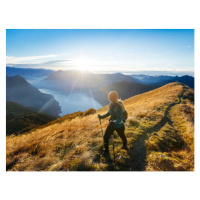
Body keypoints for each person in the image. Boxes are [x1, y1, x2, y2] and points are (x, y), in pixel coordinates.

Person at [98, 91, 127, 156]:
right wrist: (101, 117)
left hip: (119, 125)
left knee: (122, 135)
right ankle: (106, 152)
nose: (109, 98)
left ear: (112, 97)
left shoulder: (119, 106)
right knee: (106, 137)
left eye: (109, 97)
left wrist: (114, 123)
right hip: (112, 124)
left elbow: (119, 119)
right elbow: (109, 113)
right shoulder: (111, 105)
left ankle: (125, 145)